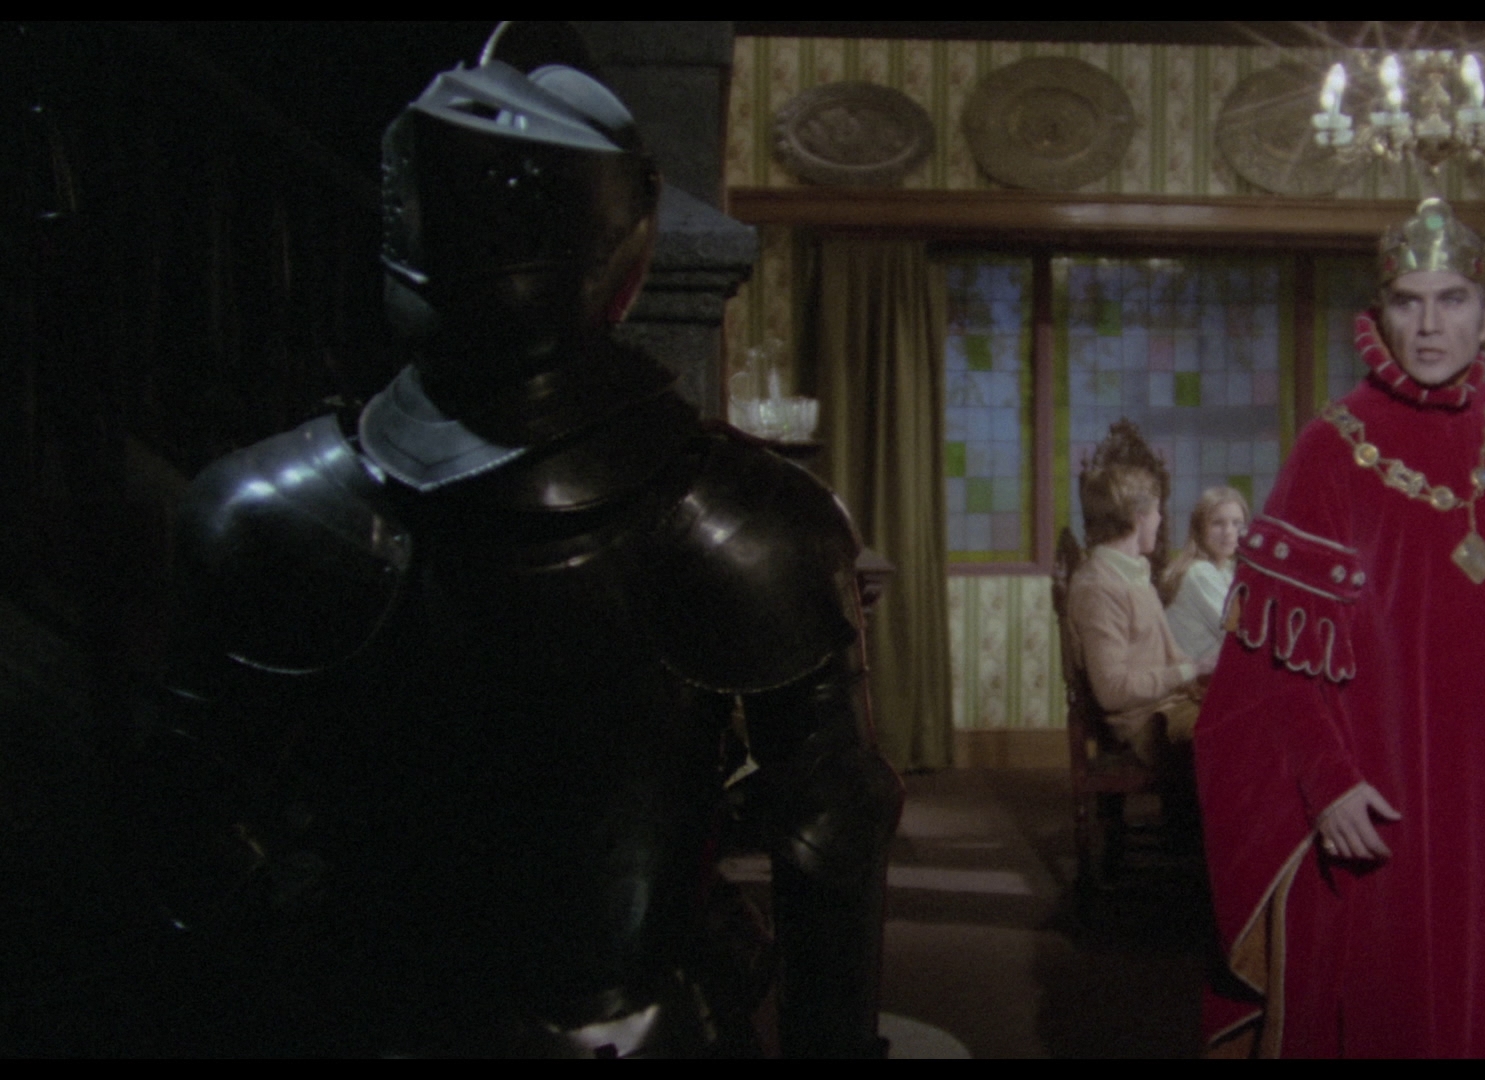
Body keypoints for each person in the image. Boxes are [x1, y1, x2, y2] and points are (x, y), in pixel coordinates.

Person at [149, 30, 898, 1057]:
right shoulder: (742, 514)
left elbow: (194, 835)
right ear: (622, 245)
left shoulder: (260, 506)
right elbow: (832, 833)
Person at [1194, 198, 1485, 1058]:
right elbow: (1274, 657)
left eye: (1452, 300)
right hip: (1393, 783)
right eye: (1409, 302)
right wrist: (1327, 781)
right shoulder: (1330, 446)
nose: (1430, 325)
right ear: (1381, 314)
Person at [1067, 429, 1214, 768]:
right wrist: (1189, 671)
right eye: (1157, 511)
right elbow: (1112, 691)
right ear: (1138, 517)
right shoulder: (1100, 587)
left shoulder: (1132, 572)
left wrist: (1200, 675)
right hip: (1146, 725)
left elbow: (1167, 656)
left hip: (1169, 707)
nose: (1160, 519)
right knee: (1243, 737)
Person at [1162, 486, 1251, 666]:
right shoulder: (1199, 572)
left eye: (1237, 523)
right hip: (1197, 679)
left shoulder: (1226, 569)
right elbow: (1238, 632)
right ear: (1200, 529)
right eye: (1217, 523)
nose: (1228, 531)